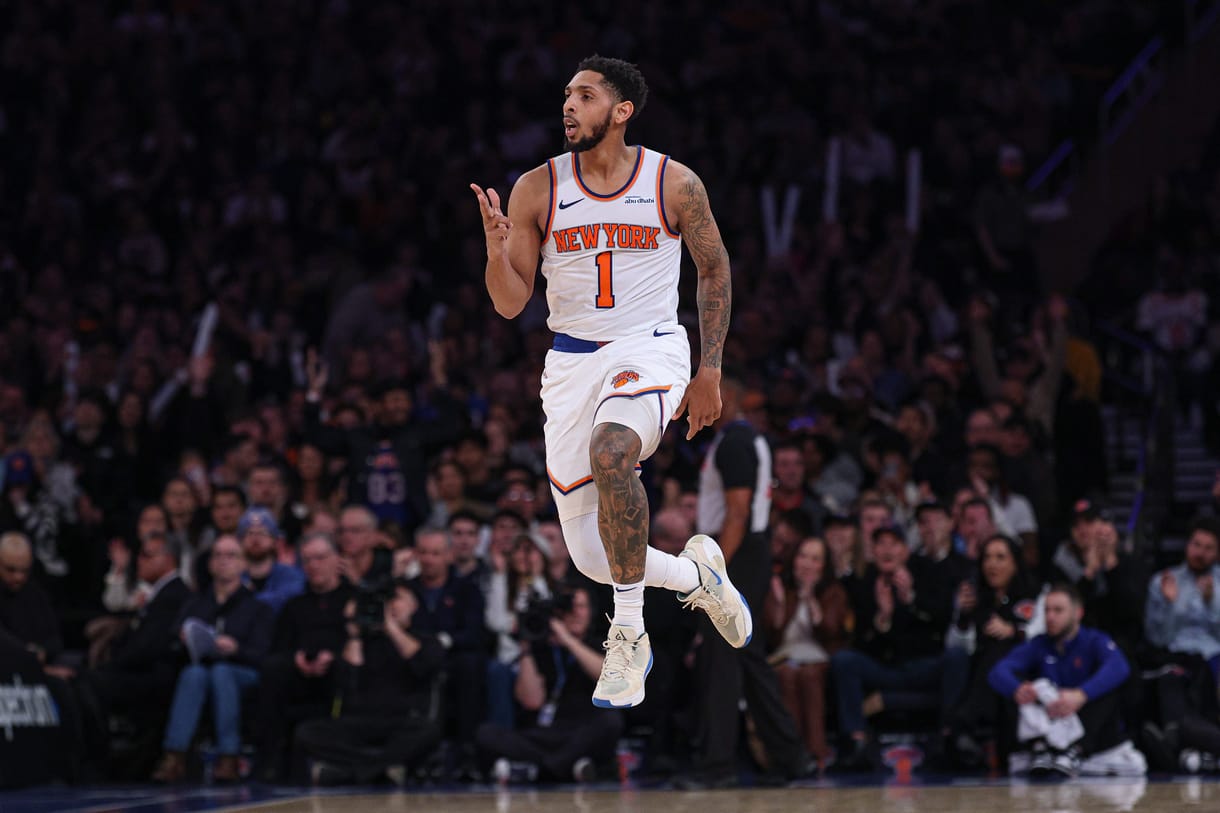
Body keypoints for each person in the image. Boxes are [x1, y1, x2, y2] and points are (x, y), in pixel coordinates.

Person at [470, 54, 749, 709]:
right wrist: (493, 253)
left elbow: (714, 269)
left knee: (612, 450)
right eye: (567, 94)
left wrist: (709, 369)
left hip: (648, 348)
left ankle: (629, 634)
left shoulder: (672, 182)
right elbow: (510, 303)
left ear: (622, 111)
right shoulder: (537, 188)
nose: (569, 105)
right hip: (570, 362)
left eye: (586, 96)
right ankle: (695, 574)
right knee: (595, 557)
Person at [680, 373, 811, 786]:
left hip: (734, 557)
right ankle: (791, 757)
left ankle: (718, 767)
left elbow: (737, 513)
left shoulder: (735, 442)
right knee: (748, 660)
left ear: (722, 396)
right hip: (750, 552)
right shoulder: (744, 439)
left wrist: (713, 571)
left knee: (721, 660)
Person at [293, 578, 445, 786]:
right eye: (386, 600)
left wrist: (391, 628)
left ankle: (350, 772)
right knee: (307, 733)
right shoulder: (360, 640)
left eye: (396, 599)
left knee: (429, 732)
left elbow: (424, 666)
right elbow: (346, 681)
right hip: (357, 722)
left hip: (401, 722)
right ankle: (380, 769)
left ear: (414, 605)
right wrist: (355, 634)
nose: (390, 605)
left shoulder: (425, 640)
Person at [151, 534, 274, 783]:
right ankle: (174, 756)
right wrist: (184, 640)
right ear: (209, 563)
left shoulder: (258, 608)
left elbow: (263, 655)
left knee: (221, 672)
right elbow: (170, 642)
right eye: (218, 555)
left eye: (231, 555)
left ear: (244, 564)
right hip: (201, 670)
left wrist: (235, 649)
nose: (223, 561)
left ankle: (229, 756)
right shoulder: (195, 604)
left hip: (242, 673)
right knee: (193, 674)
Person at [474, 586, 623, 784]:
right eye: (571, 608)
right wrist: (526, 646)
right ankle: (566, 767)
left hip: (580, 731)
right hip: (545, 733)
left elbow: (608, 676)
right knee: (486, 734)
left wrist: (568, 640)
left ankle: (540, 769)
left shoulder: (601, 643)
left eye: (582, 607)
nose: (576, 613)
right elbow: (531, 701)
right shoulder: (542, 648)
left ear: (591, 612)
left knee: (611, 722)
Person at [988, 583, 1131, 778]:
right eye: (1046, 610)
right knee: (1017, 686)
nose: (1050, 617)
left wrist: (1081, 694)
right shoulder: (1039, 644)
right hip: (1051, 717)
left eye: (1058, 610)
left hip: (1085, 720)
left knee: (1108, 687)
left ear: (1077, 613)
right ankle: (1040, 748)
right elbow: (998, 671)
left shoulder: (1094, 640)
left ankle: (1076, 751)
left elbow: (1120, 667)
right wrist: (1018, 689)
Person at [255, 532, 353, 782]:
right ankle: (269, 760)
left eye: (320, 558)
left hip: (337, 672)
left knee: (349, 668)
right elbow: (279, 648)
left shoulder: (352, 599)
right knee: (272, 668)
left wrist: (333, 657)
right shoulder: (294, 605)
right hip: (298, 675)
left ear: (337, 559)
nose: (314, 565)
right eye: (307, 560)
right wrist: (297, 659)